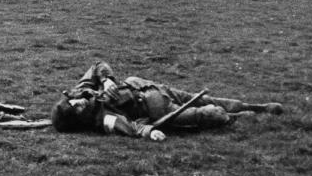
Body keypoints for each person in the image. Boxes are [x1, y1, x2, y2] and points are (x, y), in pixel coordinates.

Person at [51, 60, 283, 141]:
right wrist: (149, 132)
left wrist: (107, 80)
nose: (78, 104)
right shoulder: (104, 119)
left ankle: (255, 107)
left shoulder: (81, 91)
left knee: (207, 99)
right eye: (75, 110)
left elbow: (98, 65)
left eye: (72, 103)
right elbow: (131, 127)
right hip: (159, 109)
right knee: (209, 115)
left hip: (149, 86)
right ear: (79, 120)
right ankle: (237, 117)